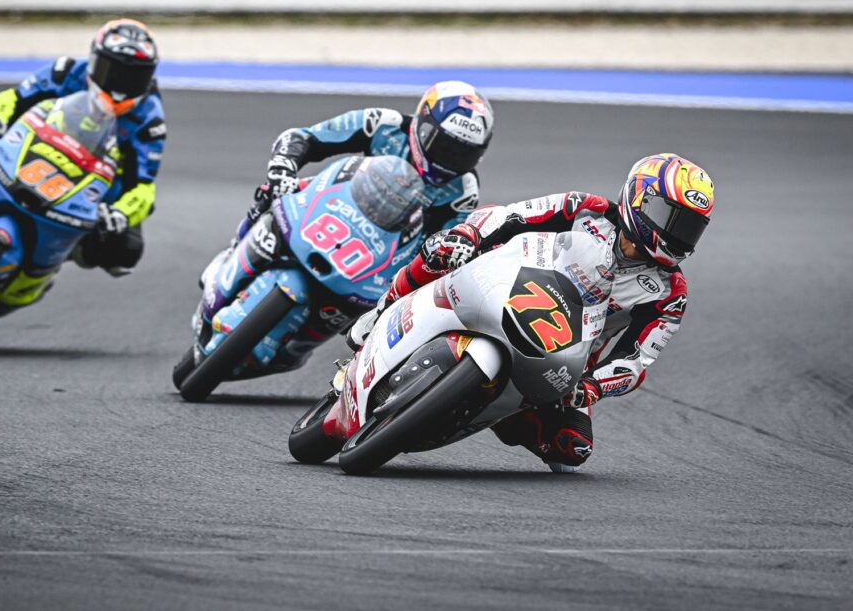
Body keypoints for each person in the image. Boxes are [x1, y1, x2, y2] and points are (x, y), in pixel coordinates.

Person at [347, 153, 715, 473]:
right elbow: (512, 217)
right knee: (444, 249)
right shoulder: (584, 208)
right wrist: (470, 236)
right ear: (639, 199)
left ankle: (502, 410)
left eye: (689, 228)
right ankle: (383, 309)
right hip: (505, 286)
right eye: (671, 218)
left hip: (562, 358)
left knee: (572, 451)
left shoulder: (670, 293)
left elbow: (634, 361)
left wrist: (592, 387)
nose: (678, 235)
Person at [200, 80, 494, 289]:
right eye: (444, 146)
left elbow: (442, 245)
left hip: (385, 254)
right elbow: (306, 137)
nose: (449, 160)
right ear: (423, 124)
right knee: (277, 190)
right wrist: (284, 166)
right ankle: (233, 252)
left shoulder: (463, 191)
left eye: (463, 155)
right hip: (339, 204)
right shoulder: (382, 124)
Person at [0, 18, 165, 278]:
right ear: (93, 60)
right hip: (35, 150)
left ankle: (58, 254)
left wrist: (120, 213)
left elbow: (144, 186)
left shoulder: (150, 119)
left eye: (134, 78)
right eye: (112, 71)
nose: (119, 88)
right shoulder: (65, 72)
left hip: (95, 182)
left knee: (126, 250)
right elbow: (12, 99)